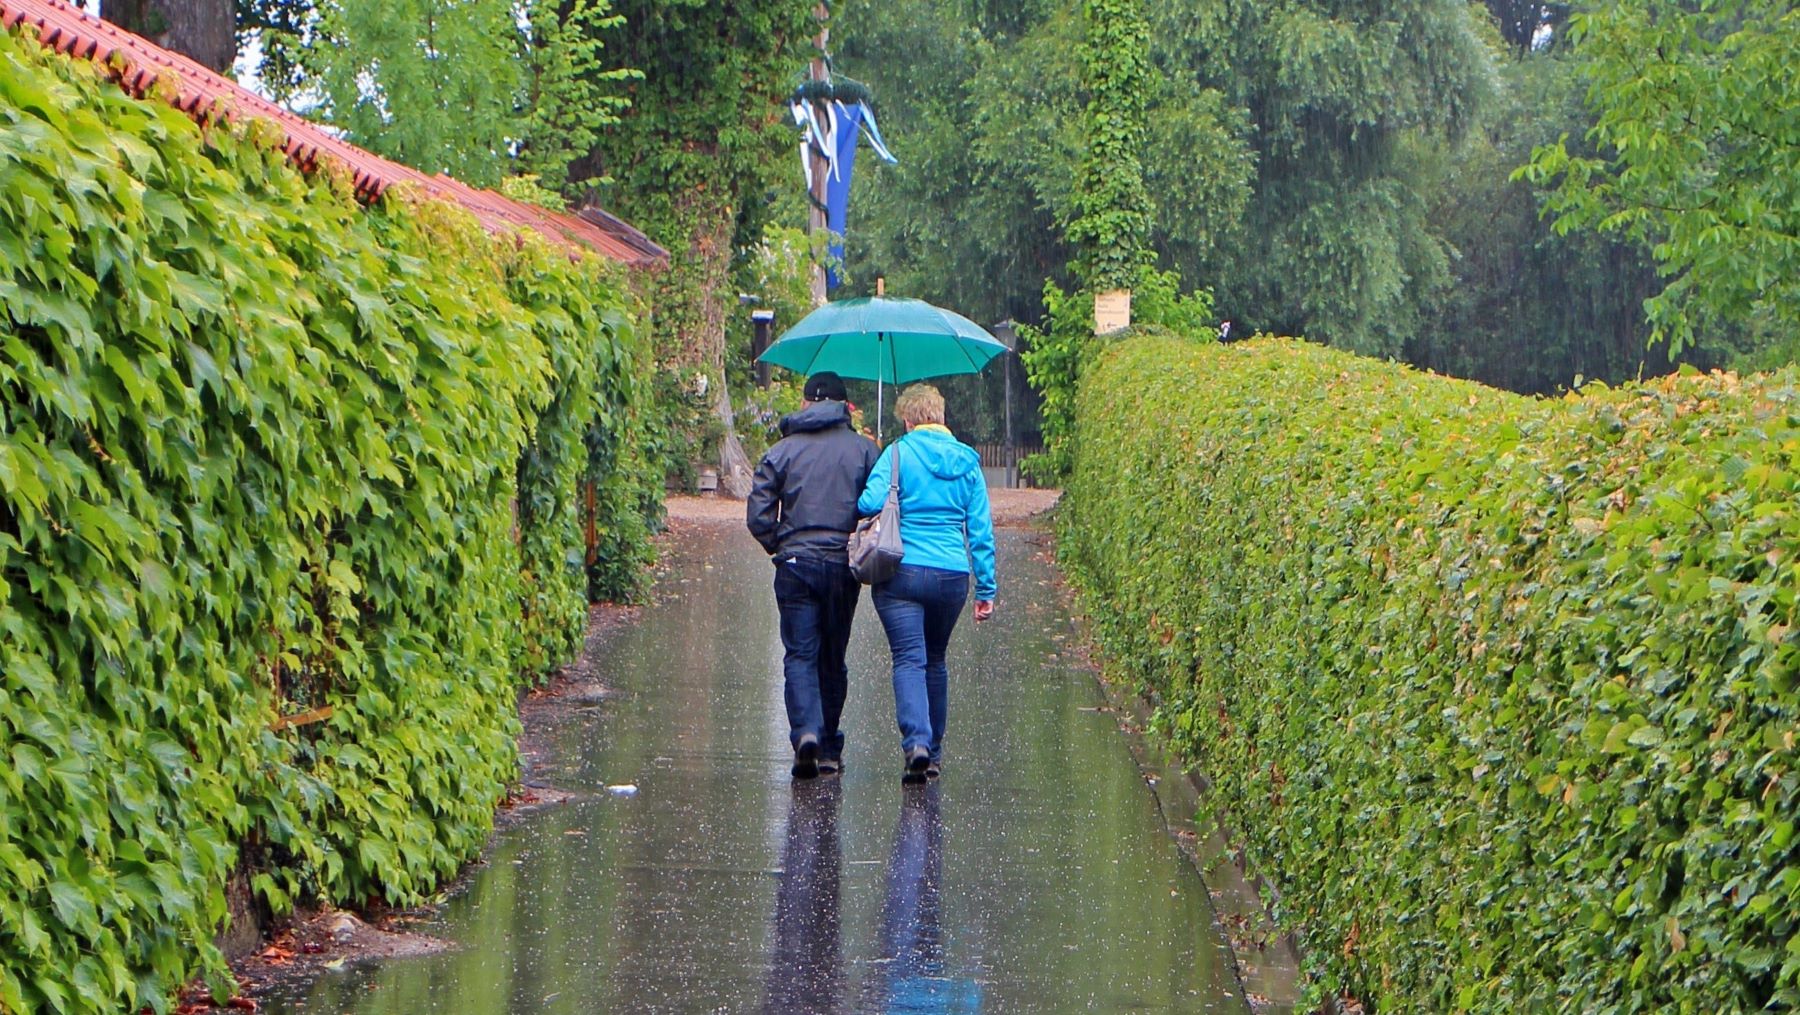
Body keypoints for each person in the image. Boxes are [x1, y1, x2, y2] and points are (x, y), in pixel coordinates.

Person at [856, 384, 997, 783]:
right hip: (952, 575)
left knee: (908, 658)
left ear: (908, 419)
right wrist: (985, 589)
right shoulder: (968, 463)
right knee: (935, 659)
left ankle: (915, 743)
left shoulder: (897, 453)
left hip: (901, 571)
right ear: (942, 418)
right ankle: (932, 753)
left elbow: (867, 504)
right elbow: (981, 531)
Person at [748, 371, 881, 779]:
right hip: (842, 564)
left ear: (806, 403)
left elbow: (758, 514)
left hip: (795, 564)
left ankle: (805, 731)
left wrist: (780, 545)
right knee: (832, 657)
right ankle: (827, 747)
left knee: (800, 654)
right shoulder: (864, 451)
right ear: (845, 407)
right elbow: (879, 508)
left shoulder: (781, 451)